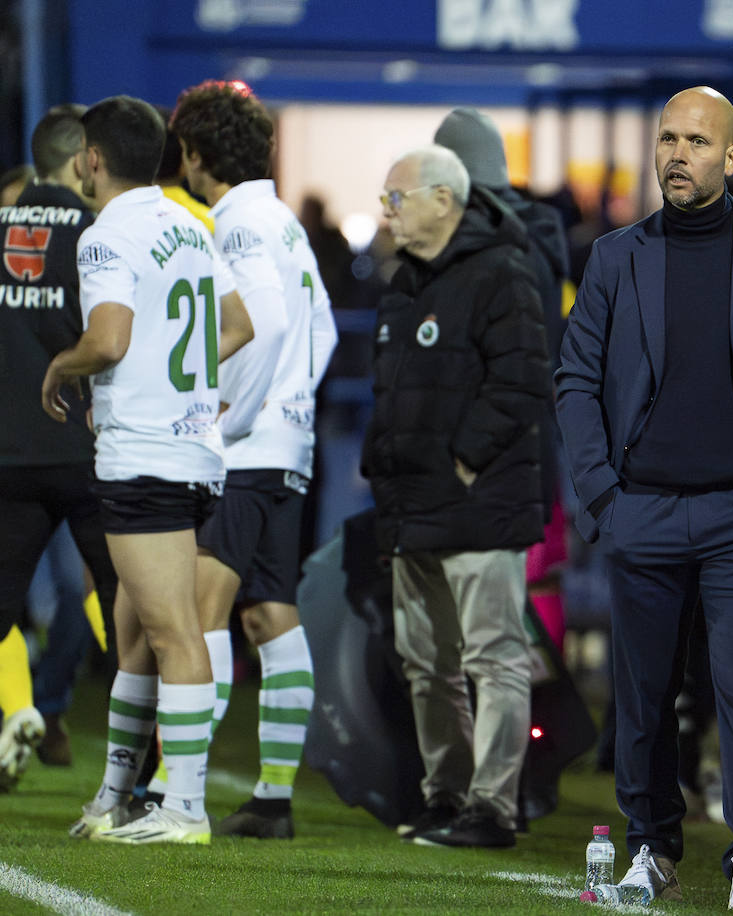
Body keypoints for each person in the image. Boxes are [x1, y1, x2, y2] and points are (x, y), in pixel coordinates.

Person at [556, 86, 733, 912]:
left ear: (731, 157)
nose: (679, 155)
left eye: (698, 142)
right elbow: (574, 378)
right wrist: (602, 495)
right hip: (639, 509)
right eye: (668, 139)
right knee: (642, 698)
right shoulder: (614, 256)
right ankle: (651, 849)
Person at [47, 94, 254, 844]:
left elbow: (106, 340)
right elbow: (238, 325)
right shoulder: (188, 225)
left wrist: (61, 368)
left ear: (92, 160)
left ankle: (185, 808)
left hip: (145, 456)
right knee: (135, 636)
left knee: (172, 635)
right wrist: (183, 383)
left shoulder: (108, 234)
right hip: (194, 452)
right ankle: (115, 796)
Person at [362, 144, 547, 848]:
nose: (388, 212)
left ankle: (493, 807)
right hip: (415, 507)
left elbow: (522, 381)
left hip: (478, 505)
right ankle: (446, 796)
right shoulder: (404, 281)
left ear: (444, 199)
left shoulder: (503, 272)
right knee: (427, 662)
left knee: (492, 657)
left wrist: (466, 461)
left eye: (397, 197)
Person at [168, 79, 338, 838]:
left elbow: (262, 325)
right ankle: (272, 798)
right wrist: (293, 402)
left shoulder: (234, 221)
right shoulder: (285, 222)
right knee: (271, 616)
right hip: (290, 445)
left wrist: (222, 409)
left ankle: (182, 797)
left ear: (196, 154)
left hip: (244, 449)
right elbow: (323, 329)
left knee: (198, 611)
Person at [0, 104, 119, 789]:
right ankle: (157, 765)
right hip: (87, 450)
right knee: (123, 607)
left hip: (9, 458)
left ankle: (19, 709)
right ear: (83, 160)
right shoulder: (100, 232)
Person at [433, 106, 572, 649]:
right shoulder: (538, 240)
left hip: (480, 466)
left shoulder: (477, 247)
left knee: (475, 633)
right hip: (536, 457)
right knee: (535, 592)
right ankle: (543, 721)